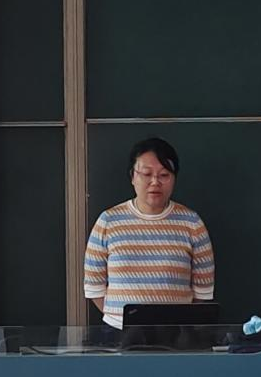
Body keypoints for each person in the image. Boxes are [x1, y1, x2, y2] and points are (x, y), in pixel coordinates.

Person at [83, 137, 214, 329]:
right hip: (119, 331)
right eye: (146, 174)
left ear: (174, 179)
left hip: (175, 333)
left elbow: (202, 290)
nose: (155, 182)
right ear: (132, 177)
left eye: (164, 175)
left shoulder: (192, 223)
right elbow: (94, 286)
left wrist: (175, 321)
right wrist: (123, 319)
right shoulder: (108, 221)